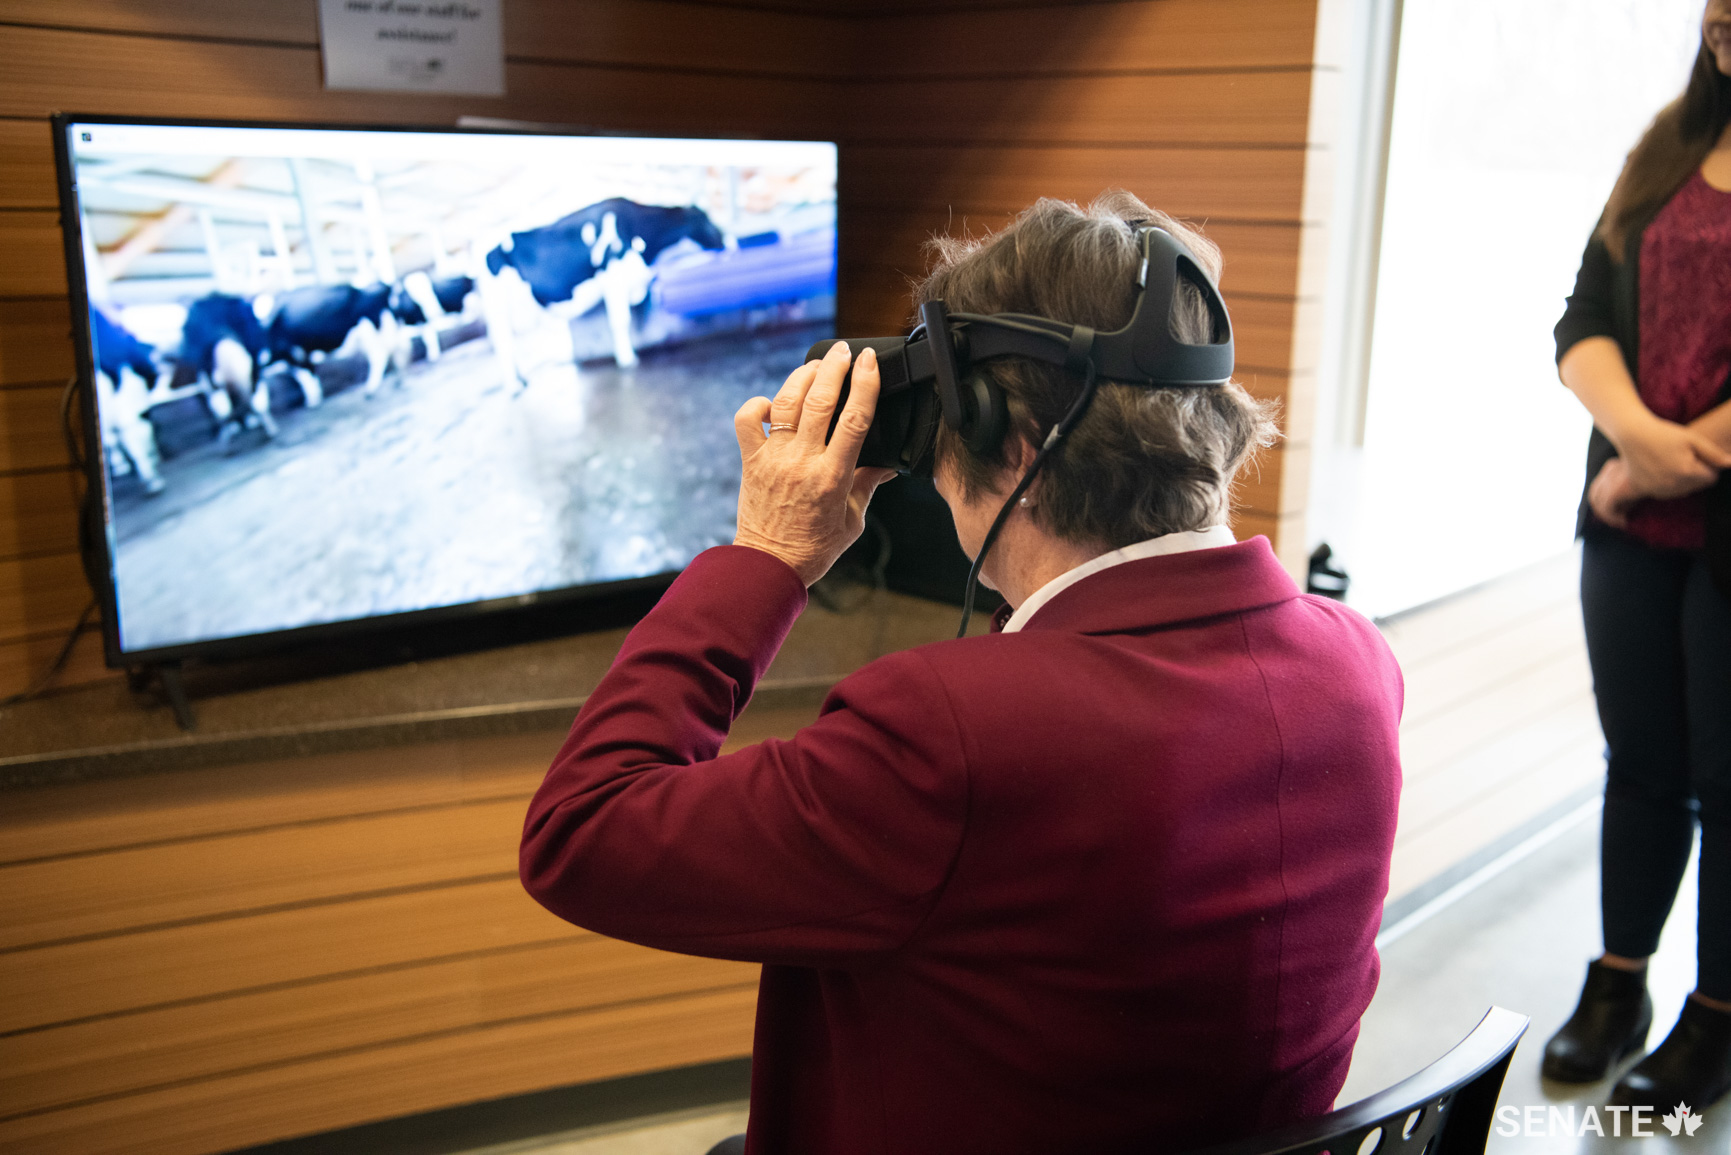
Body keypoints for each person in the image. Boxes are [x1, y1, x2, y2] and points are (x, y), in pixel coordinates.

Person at [520, 193, 1404, 1155]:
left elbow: (581, 832)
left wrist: (767, 555)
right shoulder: (1355, 661)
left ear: (1013, 441)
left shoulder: (954, 733)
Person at [1543, 0, 1731, 1111]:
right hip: (1624, 526)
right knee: (1641, 763)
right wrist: (1646, 449)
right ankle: (1619, 988)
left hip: (1713, 532)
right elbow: (1582, 320)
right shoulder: (1662, 149)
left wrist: (1654, 462)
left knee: (1729, 777)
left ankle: (1716, 1018)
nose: (1718, 15)